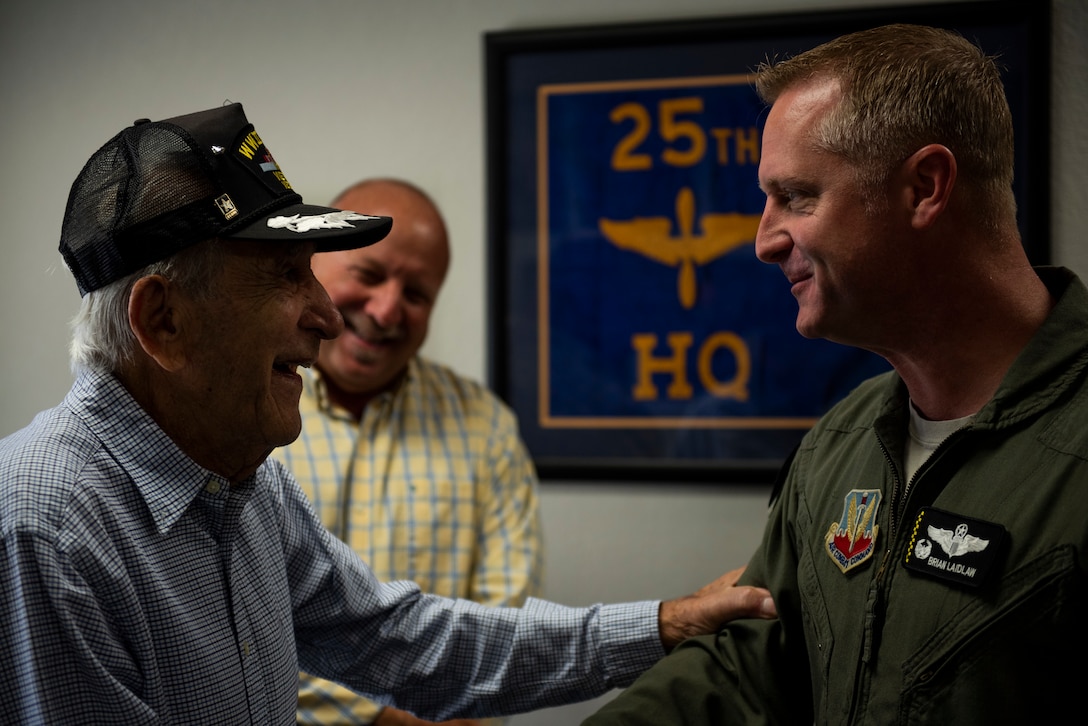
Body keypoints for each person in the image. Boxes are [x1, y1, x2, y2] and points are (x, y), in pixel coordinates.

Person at [0, 101, 777, 725]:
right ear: (163, 322)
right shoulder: (46, 527)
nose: (328, 316)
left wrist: (665, 624)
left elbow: (401, 640)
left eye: (314, 274)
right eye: (283, 278)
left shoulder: (244, 487)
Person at [585, 23, 1088, 725]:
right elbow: (750, 668)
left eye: (796, 197)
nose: (762, 241)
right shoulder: (839, 444)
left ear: (924, 186)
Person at [277, 178, 543, 726]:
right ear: (314, 263)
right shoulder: (242, 411)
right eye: (368, 275)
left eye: (417, 294)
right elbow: (228, 629)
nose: (387, 308)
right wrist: (374, 720)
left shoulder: (484, 427)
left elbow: (504, 624)